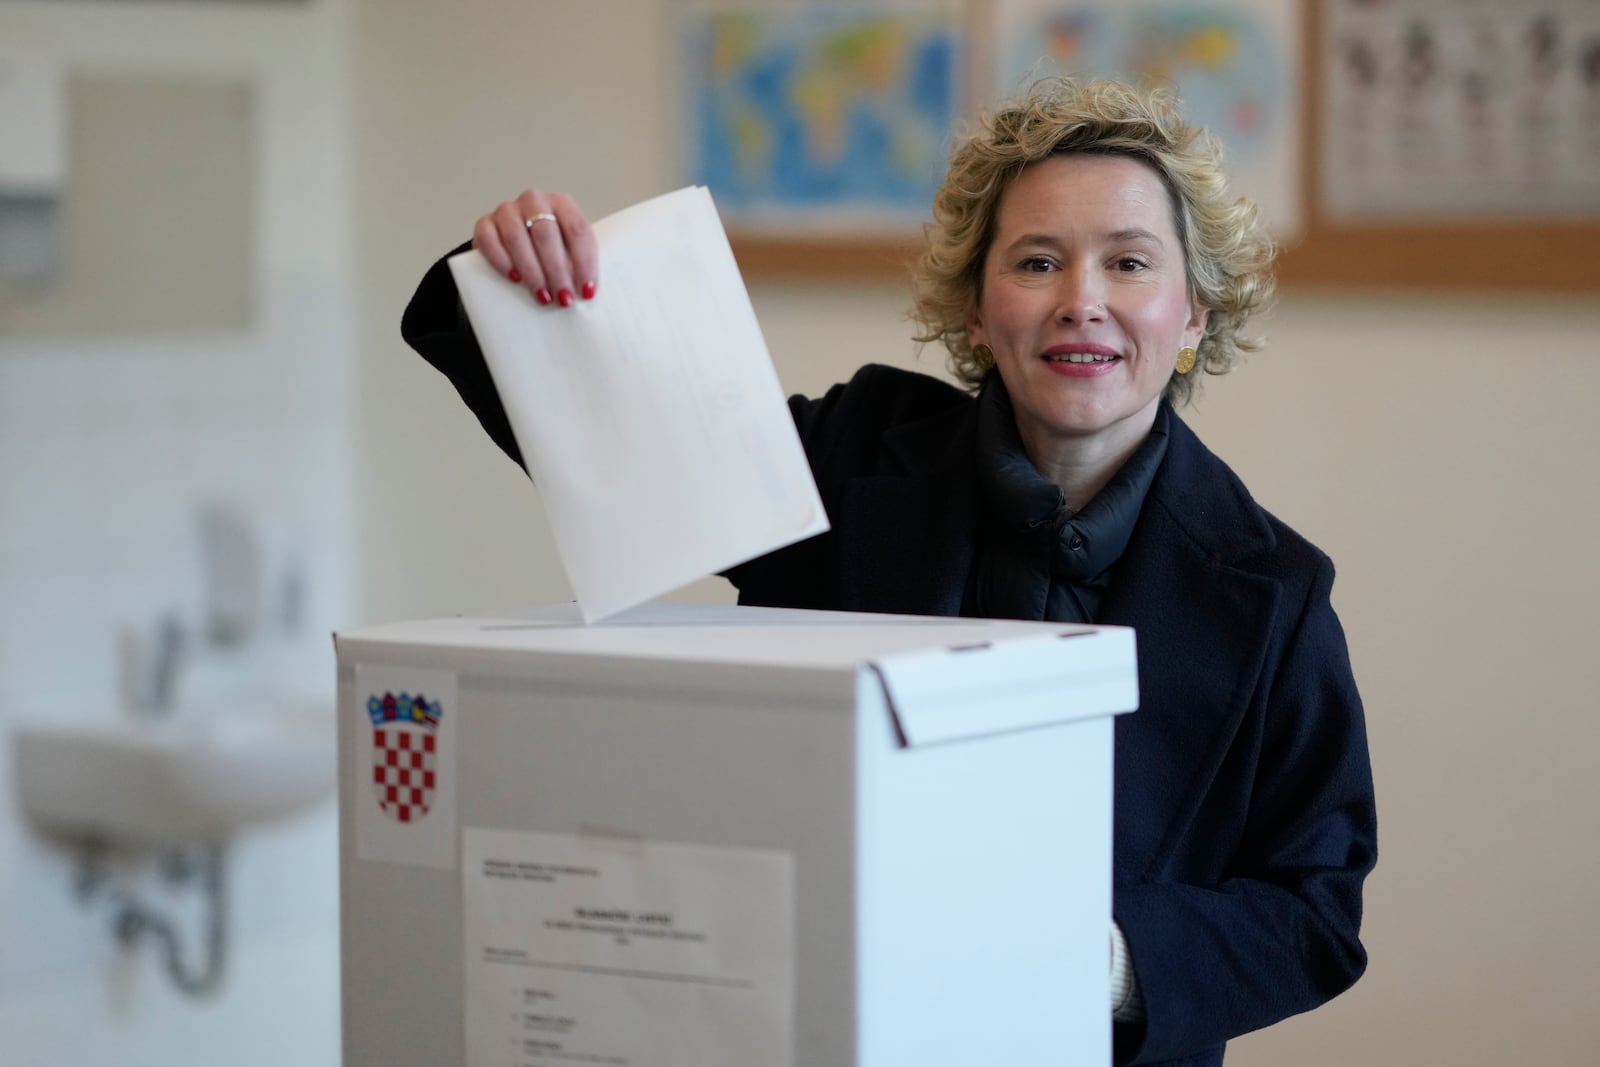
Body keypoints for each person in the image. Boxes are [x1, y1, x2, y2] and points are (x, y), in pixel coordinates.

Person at [401, 77, 1376, 1067]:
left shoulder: (1278, 590)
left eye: (1128, 262)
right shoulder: (848, 459)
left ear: (1195, 315)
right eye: (1037, 261)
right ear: (974, 312)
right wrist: (517, 269)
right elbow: (606, 425)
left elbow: (1312, 907)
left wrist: (1104, 960)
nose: (1082, 300)